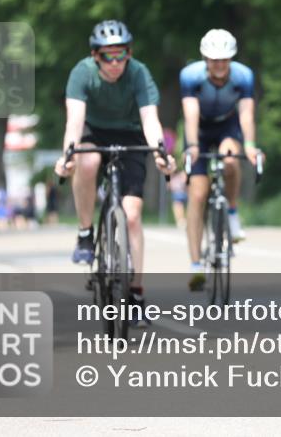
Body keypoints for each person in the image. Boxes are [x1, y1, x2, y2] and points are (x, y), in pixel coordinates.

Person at [54, 20, 174, 322]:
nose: (116, 62)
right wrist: (68, 154)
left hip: (131, 134)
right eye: (109, 56)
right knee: (88, 161)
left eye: (122, 54)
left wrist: (161, 153)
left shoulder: (138, 73)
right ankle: (85, 232)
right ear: (96, 56)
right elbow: (74, 122)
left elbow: (150, 120)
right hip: (94, 132)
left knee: (132, 216)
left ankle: (135, 293)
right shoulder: (82, 73)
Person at [180, 29, 260, 291]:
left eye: (224, 59)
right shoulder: (190, 76)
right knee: (198, 194)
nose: (219, 65)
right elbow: (191, 115)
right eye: (214, 60)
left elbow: (246, 115)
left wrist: (248, 145)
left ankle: (233, 212)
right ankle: (195, 265)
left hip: (227, 127)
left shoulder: (243, 76)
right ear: (204, 58)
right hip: (200, 131)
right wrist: (191, 146)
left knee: (229, 159)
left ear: (231, 59)